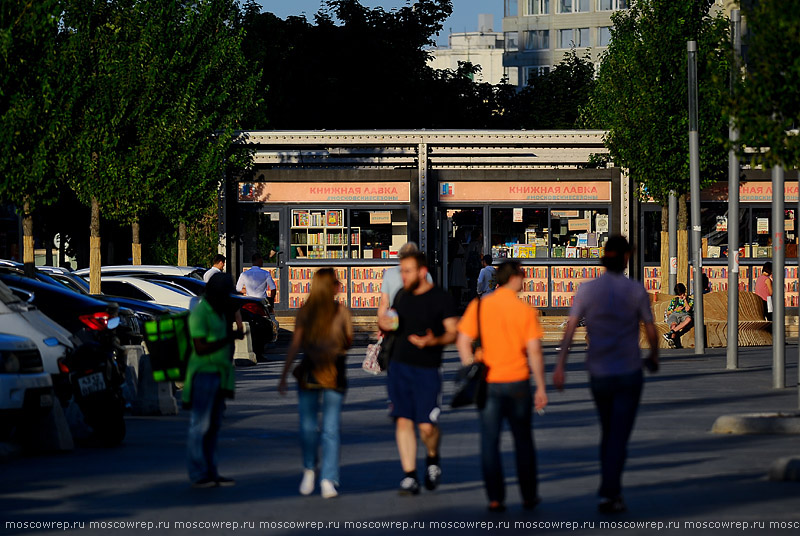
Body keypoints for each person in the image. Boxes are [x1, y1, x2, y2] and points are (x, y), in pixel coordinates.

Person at [553, 236, 659, 514]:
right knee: (619, 434)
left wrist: (560, 364)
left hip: (599, 372)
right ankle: (611, 491)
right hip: (628, 371)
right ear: (627, 257)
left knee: (607, 429)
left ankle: (608, 490)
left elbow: (571, 329)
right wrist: (654, 355)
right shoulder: (636, 290)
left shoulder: (587, 290)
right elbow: (650, 328)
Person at [456, 260, 548, 512]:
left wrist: (470, 365)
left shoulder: (479, 306)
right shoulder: (525, 310)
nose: (526, 280)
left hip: (489, 382)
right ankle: (529, 495)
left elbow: (463, 340)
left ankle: (495, 497)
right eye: (523, 275)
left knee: (489, 441)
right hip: (517, 381)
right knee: (523, 441)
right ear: (514, 278)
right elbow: (535, 352)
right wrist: (540, 386)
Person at [378, 252, 458, 495]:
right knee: (403, 420)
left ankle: (432, 458)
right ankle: (410, 476)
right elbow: (393, 322)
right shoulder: (402, 296)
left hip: (428, 368)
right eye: (401, 271)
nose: (403, 276)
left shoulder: (440, 298)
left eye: (408, 271)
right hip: (399, 366)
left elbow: (453, 332)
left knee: (426, 427)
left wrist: (434, 340)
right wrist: (384, 323)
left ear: (422, 271)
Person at [279, 268, 353, 499]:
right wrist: (284, 374)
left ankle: (327, 477)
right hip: (317, 370)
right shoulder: (309, 312)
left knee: (326, 428)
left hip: (325, 370)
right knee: (310, 427)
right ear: (327, 286)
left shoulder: (339, 311)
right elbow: (296, 344)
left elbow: (347, 342)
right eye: (335, 283)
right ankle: (311, 469)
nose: (339, 286)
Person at [182, 273, 245, 488]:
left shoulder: (219, 311)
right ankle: (198, 472)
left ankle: (211, 471)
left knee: (214, 426)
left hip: (220, 374)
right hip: (204, 374)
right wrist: (227, 339)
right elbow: (200, 346)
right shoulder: (201, 312)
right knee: (200, 425)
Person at [377, 242, 432, 318]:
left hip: (396, 319)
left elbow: (384, 302)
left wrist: (382, 323)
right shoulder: (425, 274)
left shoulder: (389, 273)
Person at [663, 283, 694, 348]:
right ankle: (672, 340)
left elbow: (688, 309)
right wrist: (675, 309)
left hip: (685, 315)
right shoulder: (674, 301)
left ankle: (669, 334)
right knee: (674, 325)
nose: (681, 296)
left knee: (689, 319)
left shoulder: (690, 300)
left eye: (681, 294)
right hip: (674, 314)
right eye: (679, 295)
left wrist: (685, 300)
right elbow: (668, 312)